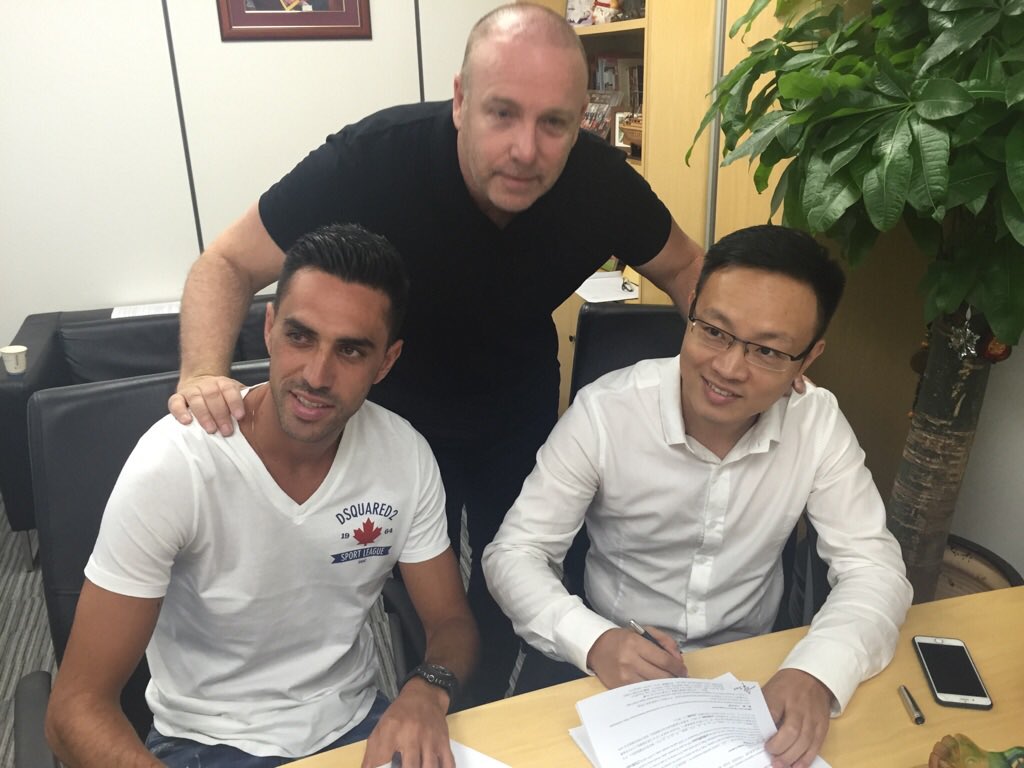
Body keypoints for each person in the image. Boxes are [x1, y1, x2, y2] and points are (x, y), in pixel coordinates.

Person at [167, 3, 704, 704]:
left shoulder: (602, 184)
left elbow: (689, 269)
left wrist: (745, 356)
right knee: (422, 601)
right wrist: (203, 373)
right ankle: (435, 704)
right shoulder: (373, 159)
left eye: (554, 124)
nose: (525, 150)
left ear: (582, 122)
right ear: (460, 100)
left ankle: (500, 715)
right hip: (396, 414)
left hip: (517, 400)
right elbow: (227, 263)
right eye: (502, 113)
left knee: (528, 579)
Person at [46, 224, 479, 768]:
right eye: (300, 337)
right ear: (270, 328)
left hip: (356, 727)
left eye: (350, 350)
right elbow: (74, 710)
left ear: (386, 362)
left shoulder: (404, 455)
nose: (317, 375)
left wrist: (426, 690)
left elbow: (450, 623)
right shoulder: (178, 463)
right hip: (206, 744)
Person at [482, 225, 913, 768]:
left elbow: (874, 569)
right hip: (614, 667)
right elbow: (514, 553)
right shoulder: (606, 412)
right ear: (690, 313)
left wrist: (817, 671)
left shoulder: (817, 422)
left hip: (757, 672)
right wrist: (593, 641)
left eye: (768, 350)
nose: (729, 368)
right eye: (714, 331)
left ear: (806, 361)